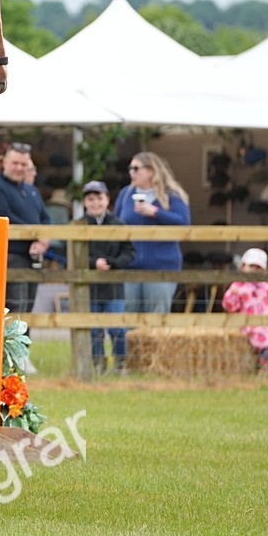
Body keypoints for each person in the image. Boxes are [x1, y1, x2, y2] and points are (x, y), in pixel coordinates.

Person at [114, 152, 191, 313]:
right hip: (130, 265)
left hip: (161, 266)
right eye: (130, 169)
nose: (131, 173)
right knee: (128, 313)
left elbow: (184, 223)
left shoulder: (172, 195)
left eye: (136, 168)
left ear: (151, 171)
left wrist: (156, 213)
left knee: (157, 315)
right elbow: (116, 225)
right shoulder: (126, 194)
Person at [73, 180, 136, 374]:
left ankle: (120, 364)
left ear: (107, 199)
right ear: (85, 202)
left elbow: (129, 252)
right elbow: (74, 254)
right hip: (89, 286)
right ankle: (98, 364)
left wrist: (113, 263)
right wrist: (94, 263)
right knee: (94, 330)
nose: (95, 203)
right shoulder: (79, 225)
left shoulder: (118, 224)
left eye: (99, 198)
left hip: (113, 285)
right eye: (90, 199)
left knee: (117, 328)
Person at [0, 142, 51, 316]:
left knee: (28, 310)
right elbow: (4, 217)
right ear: (5, 163)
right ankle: (8, 344)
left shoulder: (31, 190)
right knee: (15, 308)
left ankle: (24, 344)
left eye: (23, 164)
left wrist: (43, 242)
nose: (19, 168)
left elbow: (45, 218)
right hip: (11, 257)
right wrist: (36, 236)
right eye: (15, 163)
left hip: (33, 257)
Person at [222, 248, 268, 372]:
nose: (254, 270)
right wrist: (233, 297)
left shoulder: (266, 286)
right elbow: (229, 306)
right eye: (251, 266)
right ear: (242, 267)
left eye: (258, 268)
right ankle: (262, 369)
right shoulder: (238, 286)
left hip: (265, 323)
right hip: (248, 324)